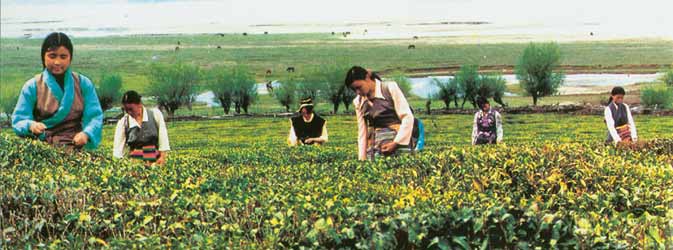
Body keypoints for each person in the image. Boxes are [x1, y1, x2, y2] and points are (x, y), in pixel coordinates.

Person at [12, 32, 103, 150]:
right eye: (52, 56)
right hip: (42, 146)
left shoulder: (83, 83)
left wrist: (86, 134)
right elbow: (19, 119)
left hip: (77, 145)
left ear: (70, 58)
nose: (57, 62)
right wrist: (31, 125)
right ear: (43, 57)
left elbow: (94, 117)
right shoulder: (32, 86)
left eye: (63, 57)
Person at [345, 66, 421, 160]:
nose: (358, 92)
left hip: (399, 142)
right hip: (375, 145)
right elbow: (362, 133)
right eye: (354, 90)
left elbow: (407, 117)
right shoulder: (358, 101)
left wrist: (395, 143)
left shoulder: (389, 88)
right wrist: (362, 159)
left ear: (367, 78)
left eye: (359, 87)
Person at [113, 91, 171, 165]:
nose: (128, 113)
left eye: (131, 109)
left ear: (139, 104)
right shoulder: (123, 123)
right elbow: (118, 152)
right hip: (135, 163)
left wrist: (162, 157)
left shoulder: (155, 114)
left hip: (155, 162)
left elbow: (163, 139)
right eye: (126, 110)